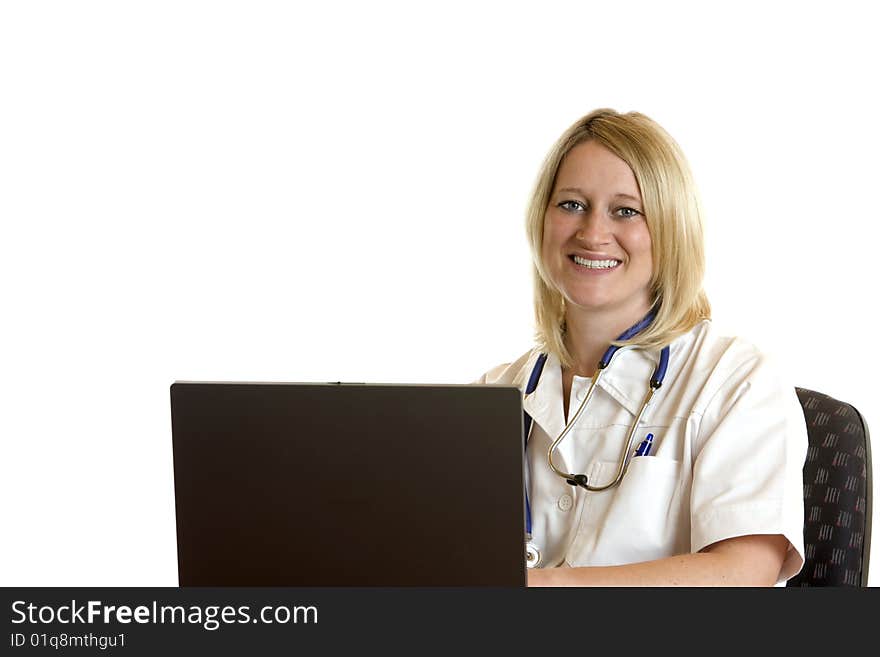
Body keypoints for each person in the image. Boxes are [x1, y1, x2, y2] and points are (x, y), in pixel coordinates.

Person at [478, 109, 807, 586]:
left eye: (626, 211)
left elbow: (742, 574)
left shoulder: (736, 380)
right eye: (571, 204)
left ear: (672, 228)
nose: (592, 233)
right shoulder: (494, 394)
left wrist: (546, 586)